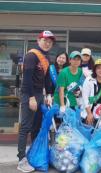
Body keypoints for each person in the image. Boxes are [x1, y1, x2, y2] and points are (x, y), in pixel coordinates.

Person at [17, 30, 55, 173]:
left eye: (50, 42)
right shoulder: (31, 56)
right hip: (29, 94)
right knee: (26, 127)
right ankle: (21, 160)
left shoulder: (46, 57)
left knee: (36, 126)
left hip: (40, 95)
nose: (47, 43)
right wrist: (31, 97)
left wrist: (48, 94)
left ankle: (33, 154)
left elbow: (46, 78)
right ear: (38, 41)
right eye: (45, 40)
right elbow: (26, 79)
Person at [81, 59, 101, 127]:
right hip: (89, 110)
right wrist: (89, 114)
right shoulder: (88, 80)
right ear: (95, 70)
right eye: (98, 68)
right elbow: (85, 98)